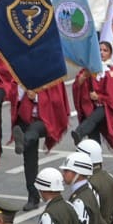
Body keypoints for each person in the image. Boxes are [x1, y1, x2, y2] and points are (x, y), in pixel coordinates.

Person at [11, 80, 71, 209]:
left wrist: (37, 97)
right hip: (26, 118)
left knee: (33, 131)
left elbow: (57, 100)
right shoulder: (23, 74)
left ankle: (23, 141)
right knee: (30, 161)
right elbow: (14, 96)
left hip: (45, 120)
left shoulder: (51, 74)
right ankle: (33, 197)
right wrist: (23, 90)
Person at [71, 41, 113, 150]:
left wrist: (99, 97)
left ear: (110, 54)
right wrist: (83, 78)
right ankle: (96, 160)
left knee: (94, 117)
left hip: (107, 108)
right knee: (93, 135)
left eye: (105, 51)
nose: (101, 53)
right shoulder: (89, 69)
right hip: (91, 107)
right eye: (100, 50)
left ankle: (79, 132)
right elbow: (77, 86)